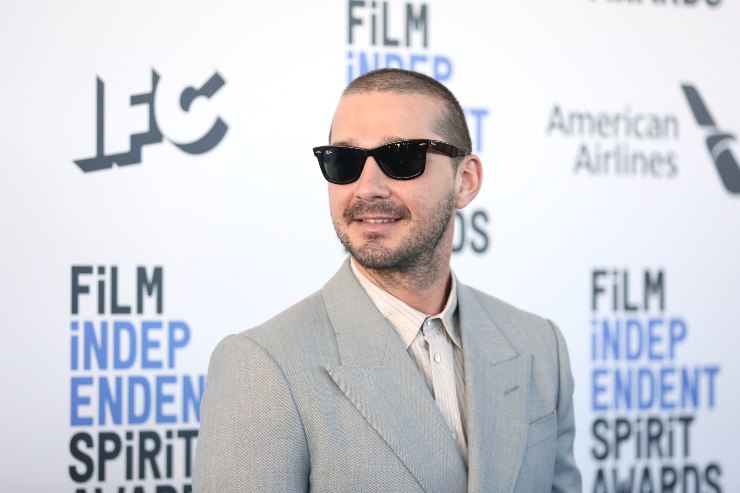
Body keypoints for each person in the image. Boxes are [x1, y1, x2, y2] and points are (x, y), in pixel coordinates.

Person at [193, 68, 581, 492]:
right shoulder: (262, 367)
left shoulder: (539, 345)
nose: (367, 188)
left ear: (465, 181)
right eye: (344, 162)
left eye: (401, 158)